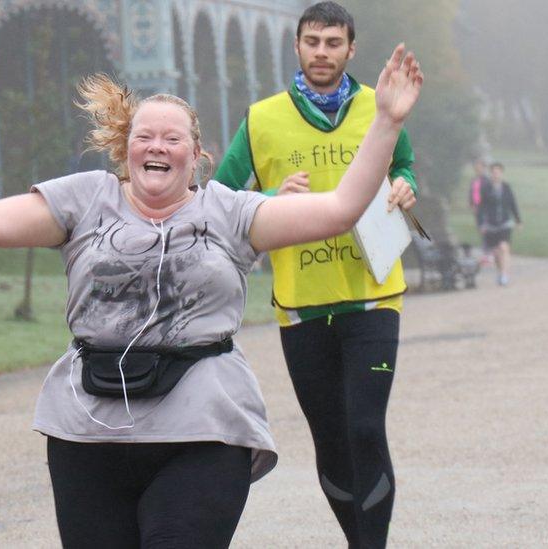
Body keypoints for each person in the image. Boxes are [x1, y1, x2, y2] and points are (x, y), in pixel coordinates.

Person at [0, 44, 422, 548]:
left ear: (197, 156)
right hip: (88, 432)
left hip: (202, 427)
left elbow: (342, 208)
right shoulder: (83, 201)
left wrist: (387, 122)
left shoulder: (231, 211)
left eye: (174, 138)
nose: (158, 146)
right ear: (125, 150)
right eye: (144, 135)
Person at [214, 2, 417, 547]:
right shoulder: (261, 119)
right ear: (298, 46)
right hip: (300, 304)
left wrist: (404, 186)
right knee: (329, 437)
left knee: (365, 428)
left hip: (373, 297)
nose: (321, 51)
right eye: (312, 41)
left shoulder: (383, 107)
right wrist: (275, 198)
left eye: (333, 42)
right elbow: (221, 201)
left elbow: (403, 165)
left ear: (351, 49)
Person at [477, 161, 522, 286]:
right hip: (491, 225)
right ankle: (500, 271)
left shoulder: (506, 187)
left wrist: (518, 220)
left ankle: (505, 275)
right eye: (493, 172)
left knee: (504, 247)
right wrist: (481, 224)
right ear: (491, 174)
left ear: (501, 173)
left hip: (505, 223)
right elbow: (481, 207)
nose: (496, 175)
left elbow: (513, 204)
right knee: (496, 253)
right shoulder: (486, 189)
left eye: (498, 172)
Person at [468, 158, 493, 265]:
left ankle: (488, 254)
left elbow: (489, 197)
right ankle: (486, 254)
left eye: (480, 167)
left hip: (485, 210)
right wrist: (472, 204)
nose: (477, 169)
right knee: (481, 230)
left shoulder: (487, 181)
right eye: (476, 167)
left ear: (483, 168)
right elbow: (472, 193)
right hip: (477, 210)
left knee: (485, 230)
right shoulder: (474, 180)